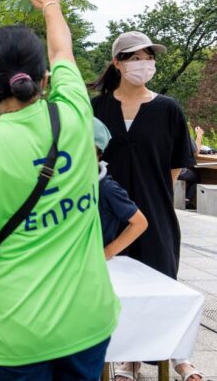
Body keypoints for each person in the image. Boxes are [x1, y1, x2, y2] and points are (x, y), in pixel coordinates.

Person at [0, 0, 119, 380]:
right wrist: (49, 5)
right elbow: (63, 49)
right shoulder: (76, 114)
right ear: (44, 79)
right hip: (87, 320)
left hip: (16, 328)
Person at [91, 30, 200, 381]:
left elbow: (175, 164)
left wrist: (156, 204)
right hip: (105, 214)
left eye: (147, 56)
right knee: (113, 285)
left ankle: (176, 355)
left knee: (160, 283)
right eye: (134, 57)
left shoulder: (167, 108)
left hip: (155, 212)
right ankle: (127, 356)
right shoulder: (97, 108)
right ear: (117, 63)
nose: (143, 63)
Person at [93, 118, 149, 260]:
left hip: (93, 263)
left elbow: (139, 222)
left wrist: (106, 253)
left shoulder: (106, 188)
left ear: (99, 154)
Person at [179, 126, 205, 210]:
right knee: (196, 178)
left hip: (160, 170)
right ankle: (187, 201)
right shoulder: (181, 132)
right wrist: (199, 135)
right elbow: (196, 151)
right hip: (177, 170)